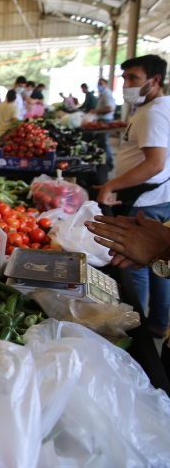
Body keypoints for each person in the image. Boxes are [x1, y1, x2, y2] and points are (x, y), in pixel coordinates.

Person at [95, 54, 170, 337]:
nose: (126, 84)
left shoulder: (152, 113)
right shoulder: (162, 106)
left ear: (155, 80)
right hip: (161, 197)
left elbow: (154, 163)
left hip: (145, 203)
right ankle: (159, 322)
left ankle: (135, 330)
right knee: (161, 260)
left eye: (133, 78)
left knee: (136, 265)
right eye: (125, 78)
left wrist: (110, 185)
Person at [91, 77, 116, 167]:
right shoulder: (103, 94)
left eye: (101, 84)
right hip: (102, 119)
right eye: (99, 84)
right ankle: (105, 162)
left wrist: (96, 111)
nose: (99, 86)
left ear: (106, 84)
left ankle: (109, 163)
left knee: (103, 142)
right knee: (101, 142)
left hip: (105, 120)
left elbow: (110, 108)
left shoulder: (107, 95)